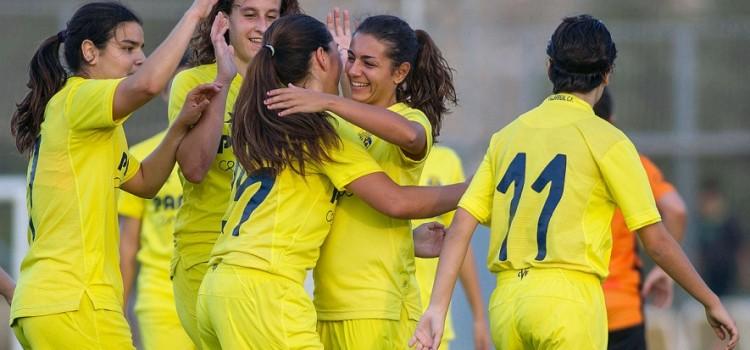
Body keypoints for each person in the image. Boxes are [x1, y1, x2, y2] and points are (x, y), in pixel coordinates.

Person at [411, 14, 738, 350]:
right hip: (569, 302)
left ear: (550, 67)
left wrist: (436, 308)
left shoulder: (506, 137)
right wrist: (709, 300)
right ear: (607, 74)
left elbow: (462, 225)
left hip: (507, 304)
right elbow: (656, 241)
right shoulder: (608, 140)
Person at [195, 14, 465, 349]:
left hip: (367, 304)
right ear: (323, 58)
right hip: (272, 293)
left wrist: (406, 241)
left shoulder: (276, 123)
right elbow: (393, 200)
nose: (353, 70)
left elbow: (409, 137)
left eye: (368, 62)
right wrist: (478, 187)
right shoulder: (322, 132)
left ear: (400, 73)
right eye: (348, 57)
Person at [8, 1, 220, 348]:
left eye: (142, 48)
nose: (140, 58)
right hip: (78, 303)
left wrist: (179, 126)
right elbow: (149, 85)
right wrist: (195, 14)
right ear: (90, 52)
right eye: (128, 48)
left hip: (50, 305)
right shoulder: (79, 98)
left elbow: (146, 182)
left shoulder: (95, 123)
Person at [167, 1, 300, 344]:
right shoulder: (193, 82)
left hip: (267, 265)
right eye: (250, 14)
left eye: (272, 17)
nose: (261, 27)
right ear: (224, 19)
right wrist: (224, 81)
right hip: (204, 255)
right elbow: (195, 168)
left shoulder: (294, 90)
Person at [594, 87, 688, 349]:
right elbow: (676, 209)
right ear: (611, 122)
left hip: (577, 308)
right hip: (623, 307)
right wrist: (664, 270)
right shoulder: (630, 162)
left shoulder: (564, 163)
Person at [117, 56, 194, 350]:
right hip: (161, 301)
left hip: (214, 296)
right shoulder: (141, 157)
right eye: (180, 87)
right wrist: (119, 309)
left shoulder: (228, 154)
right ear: (165, 93)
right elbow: (128, 244)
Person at [413, 145, 491, 350]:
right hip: (384, 312)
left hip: (430, 323)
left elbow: (457, 240)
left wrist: (479, 317)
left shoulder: (447, 161)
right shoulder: (377, 153)